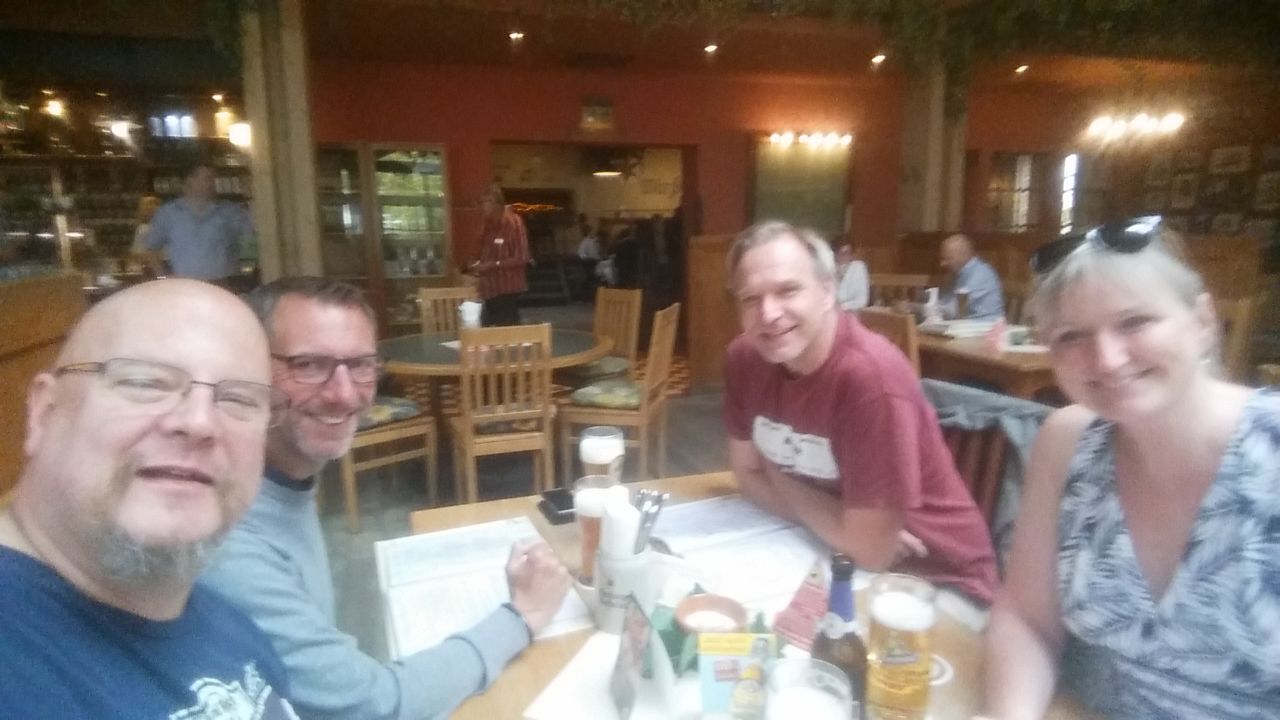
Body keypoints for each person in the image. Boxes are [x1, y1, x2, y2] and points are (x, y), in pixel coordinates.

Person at [201, 276, 573, 720]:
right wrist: (522, 616)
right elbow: (372, 706)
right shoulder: (227, 540)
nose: (343, 393)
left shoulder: (280, 483)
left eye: (361, 364)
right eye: (308, 364)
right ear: (246, 370)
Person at [982, 217, 1280, 718]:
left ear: (1202, 322)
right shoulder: (1067, 442)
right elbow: (1027, 617)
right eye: (1071, 336)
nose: (1106, 358)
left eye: (1134, 322)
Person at [0, 279, 297, 718]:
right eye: (145, 383)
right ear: (45, 413)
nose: (199, 423)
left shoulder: (229, 622)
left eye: (238, 399)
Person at [723, 221, 997, 604]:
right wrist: (840, 526)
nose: (768, 313)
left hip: (937, 580)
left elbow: (871, 552)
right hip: (830, 553)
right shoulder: (745, 358)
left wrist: (775, 474)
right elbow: (746, 477)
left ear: (827, 291)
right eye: (751, 299)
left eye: (788, 290)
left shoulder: (870, 378)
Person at [144, 162, 254, 286]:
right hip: (185, 286)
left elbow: (250, 239)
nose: (213, 184)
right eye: (208, 179)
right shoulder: (168, 213)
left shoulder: (230, 211)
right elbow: (151, 248)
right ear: (190, 181)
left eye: (214, 179)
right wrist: (163, 277)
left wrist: (247, 271)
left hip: (224, 284)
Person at [467, 184, 530, 326]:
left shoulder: (513, 223)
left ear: (497, 204)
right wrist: (473, 262)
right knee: (485, 330)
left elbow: (522, 257)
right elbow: (479, 250)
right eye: (481, 202)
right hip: (488, 289)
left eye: (486, 202)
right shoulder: (487, 224)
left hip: (506, 290)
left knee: (507, 333)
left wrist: (493, 265)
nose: (482, 206)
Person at [937, 233, 1004, 319]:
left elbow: (954, 309)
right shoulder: (959, 274)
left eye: (948, 258)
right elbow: (945, 302)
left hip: (984, 325)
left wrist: (926, 307)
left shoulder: (981, 274)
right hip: (966, 323)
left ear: (962, 255)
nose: (942, 264)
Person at [834, 240, 869, 312]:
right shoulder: (828, 267)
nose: (843, 256)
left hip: (851, 312)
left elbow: (862, 301)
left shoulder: (858, 267)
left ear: (852, 254)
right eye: (840, 253)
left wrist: (841, 307)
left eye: (847, 253)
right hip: (830, 312)